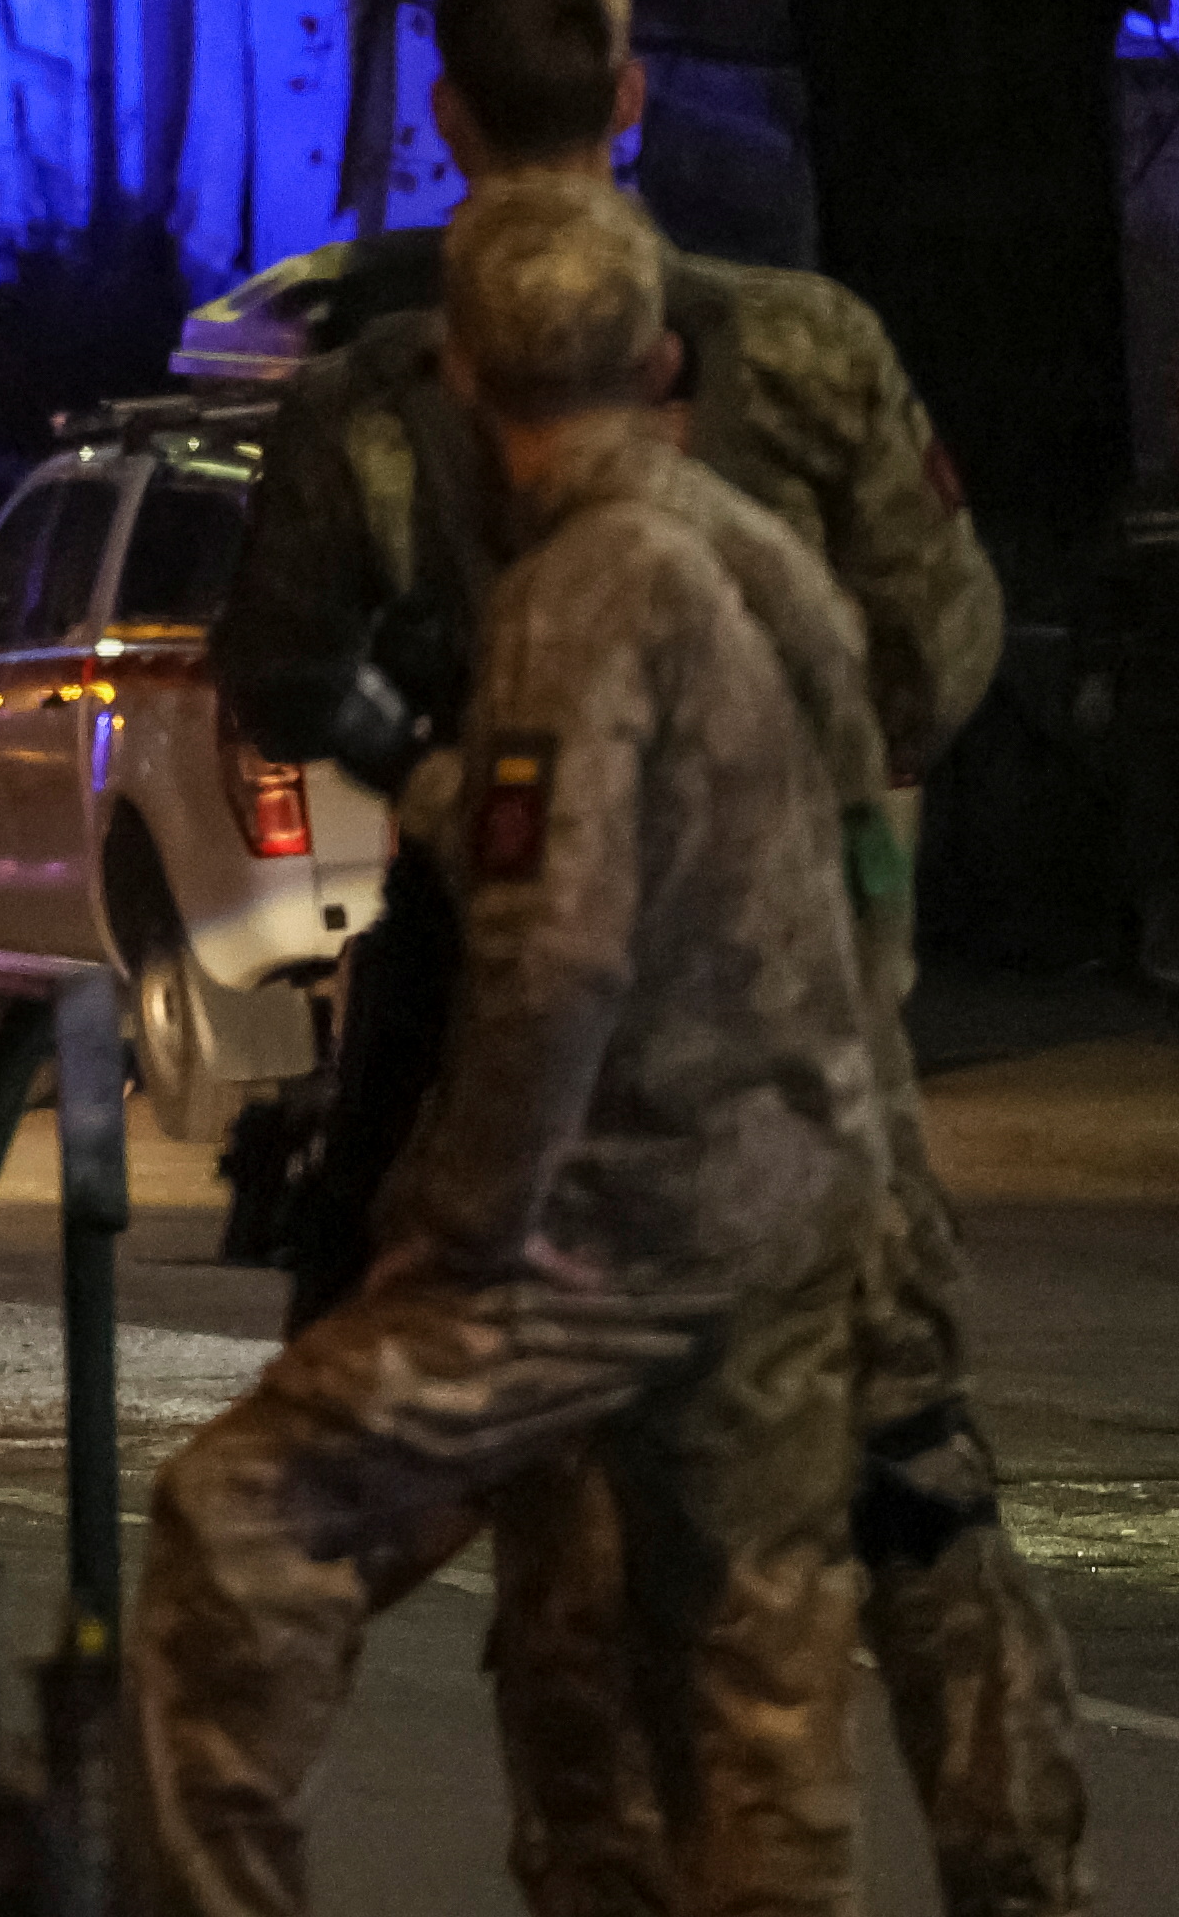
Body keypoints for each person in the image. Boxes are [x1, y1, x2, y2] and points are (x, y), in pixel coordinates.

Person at [217, 0, 1084, 1917]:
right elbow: (939, 657)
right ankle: (1014, 1868)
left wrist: (442, 771)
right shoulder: (800, 353)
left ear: (441, 117)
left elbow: (276, 668)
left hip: (513, 1063)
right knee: (910, 1484)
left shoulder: (377, 385)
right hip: (810, 1050)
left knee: (572, 1571)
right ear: (625, 104)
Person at [136, 172, 896, 1917]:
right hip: (792, 1203)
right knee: (742, 1697)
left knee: (235, 1532)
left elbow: (548, 966)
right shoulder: (766, 565)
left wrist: (453, 1235)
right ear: (654, 363)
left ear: (467, 382)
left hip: (610, 1233)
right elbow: (863, 854)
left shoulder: (570, 600)